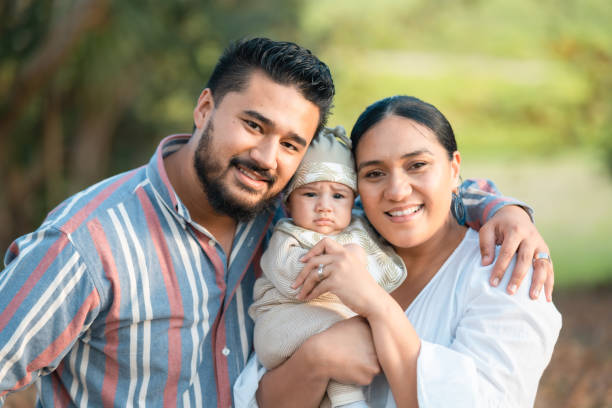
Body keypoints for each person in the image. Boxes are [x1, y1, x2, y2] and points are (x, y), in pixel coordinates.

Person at [0, 36, 552, 407]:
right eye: (253, 124)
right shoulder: (85, 241)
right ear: (203, 109)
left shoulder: (288, 210)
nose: (267, 157)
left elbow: (403, 197)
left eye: (291, 143)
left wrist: (500, 209)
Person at [251, 96, 561, 407]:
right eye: (374, 173)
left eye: (417, 165)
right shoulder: (334, 247)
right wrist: (317, 358)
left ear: (454, 169)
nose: (397, 191)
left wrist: (376, 305)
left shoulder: (507, 276)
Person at [249, 126, 406, 408]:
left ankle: (337, 401)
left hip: (329, 331)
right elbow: (292, 279)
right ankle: (349, 400)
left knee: (348, 333)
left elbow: (383, 272)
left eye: (338, 196)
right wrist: (338, 268)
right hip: (282, 325)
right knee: (345, 331)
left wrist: (360, 261)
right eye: (310, 195)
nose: (324, 206)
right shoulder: (288, 236)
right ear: (288, 203)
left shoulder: (358, 232)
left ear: (353, 200)